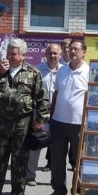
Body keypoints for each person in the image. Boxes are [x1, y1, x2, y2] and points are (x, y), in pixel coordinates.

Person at [0, 38, 49, 195]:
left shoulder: (33, 72)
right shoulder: (0, 69)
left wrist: (40, 120)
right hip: (2, 122)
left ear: (23, 55)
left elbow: (42, 98)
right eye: (8, 53)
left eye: (13, 54)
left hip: (22, 123)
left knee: (19, 160)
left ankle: (17, 193)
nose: (9, 57)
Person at [47, 40, 89, 195]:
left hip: (79, 123)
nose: (72, 52)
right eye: (70, 49)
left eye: (76, 49)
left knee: (78, 160)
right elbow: (56, 94)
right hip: (58, 122)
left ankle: (77, 191)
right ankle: (59, 190)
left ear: (84, 52)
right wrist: (51, 116)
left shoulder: (89, 72)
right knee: (57, 159)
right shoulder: (62, 71)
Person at [26, 43, 63, 186]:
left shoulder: (65, 71)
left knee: (57, 148)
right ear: (45, 54)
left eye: (55, 53)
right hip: (40, 112)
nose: (52, 56)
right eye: (50, 53)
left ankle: (57, 180)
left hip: (59, 114)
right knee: (36, 144)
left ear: (60, 54)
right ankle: (30, 176)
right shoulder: (37, 70)